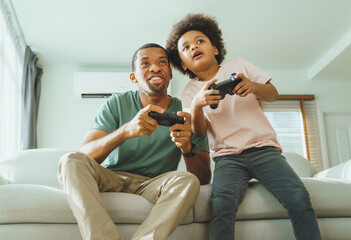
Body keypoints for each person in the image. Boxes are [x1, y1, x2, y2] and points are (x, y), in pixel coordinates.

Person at [166, 14, 322, 240]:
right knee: (220, 206)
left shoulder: (239, 66)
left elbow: (273, 94)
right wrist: (198, 105)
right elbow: (199, 132)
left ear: (215, 48)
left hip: (264, 150)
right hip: (228, 158)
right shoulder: (190, 91)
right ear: (183, 63)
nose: (194, 47)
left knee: (298, 196)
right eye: (186, 47)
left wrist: (253, 86)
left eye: (200, 41)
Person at [58, 43, 211, 240]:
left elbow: (203, 178)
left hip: (154, 183)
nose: (155, 68)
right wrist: (125, 131)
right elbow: (84, 155)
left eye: (162, 63)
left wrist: (187, 148)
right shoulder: (116, 103)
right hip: (111, 176)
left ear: (170, 74)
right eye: (146, 64)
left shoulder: (188, 111)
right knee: (70, 160)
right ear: (134, 77)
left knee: (187, 180)